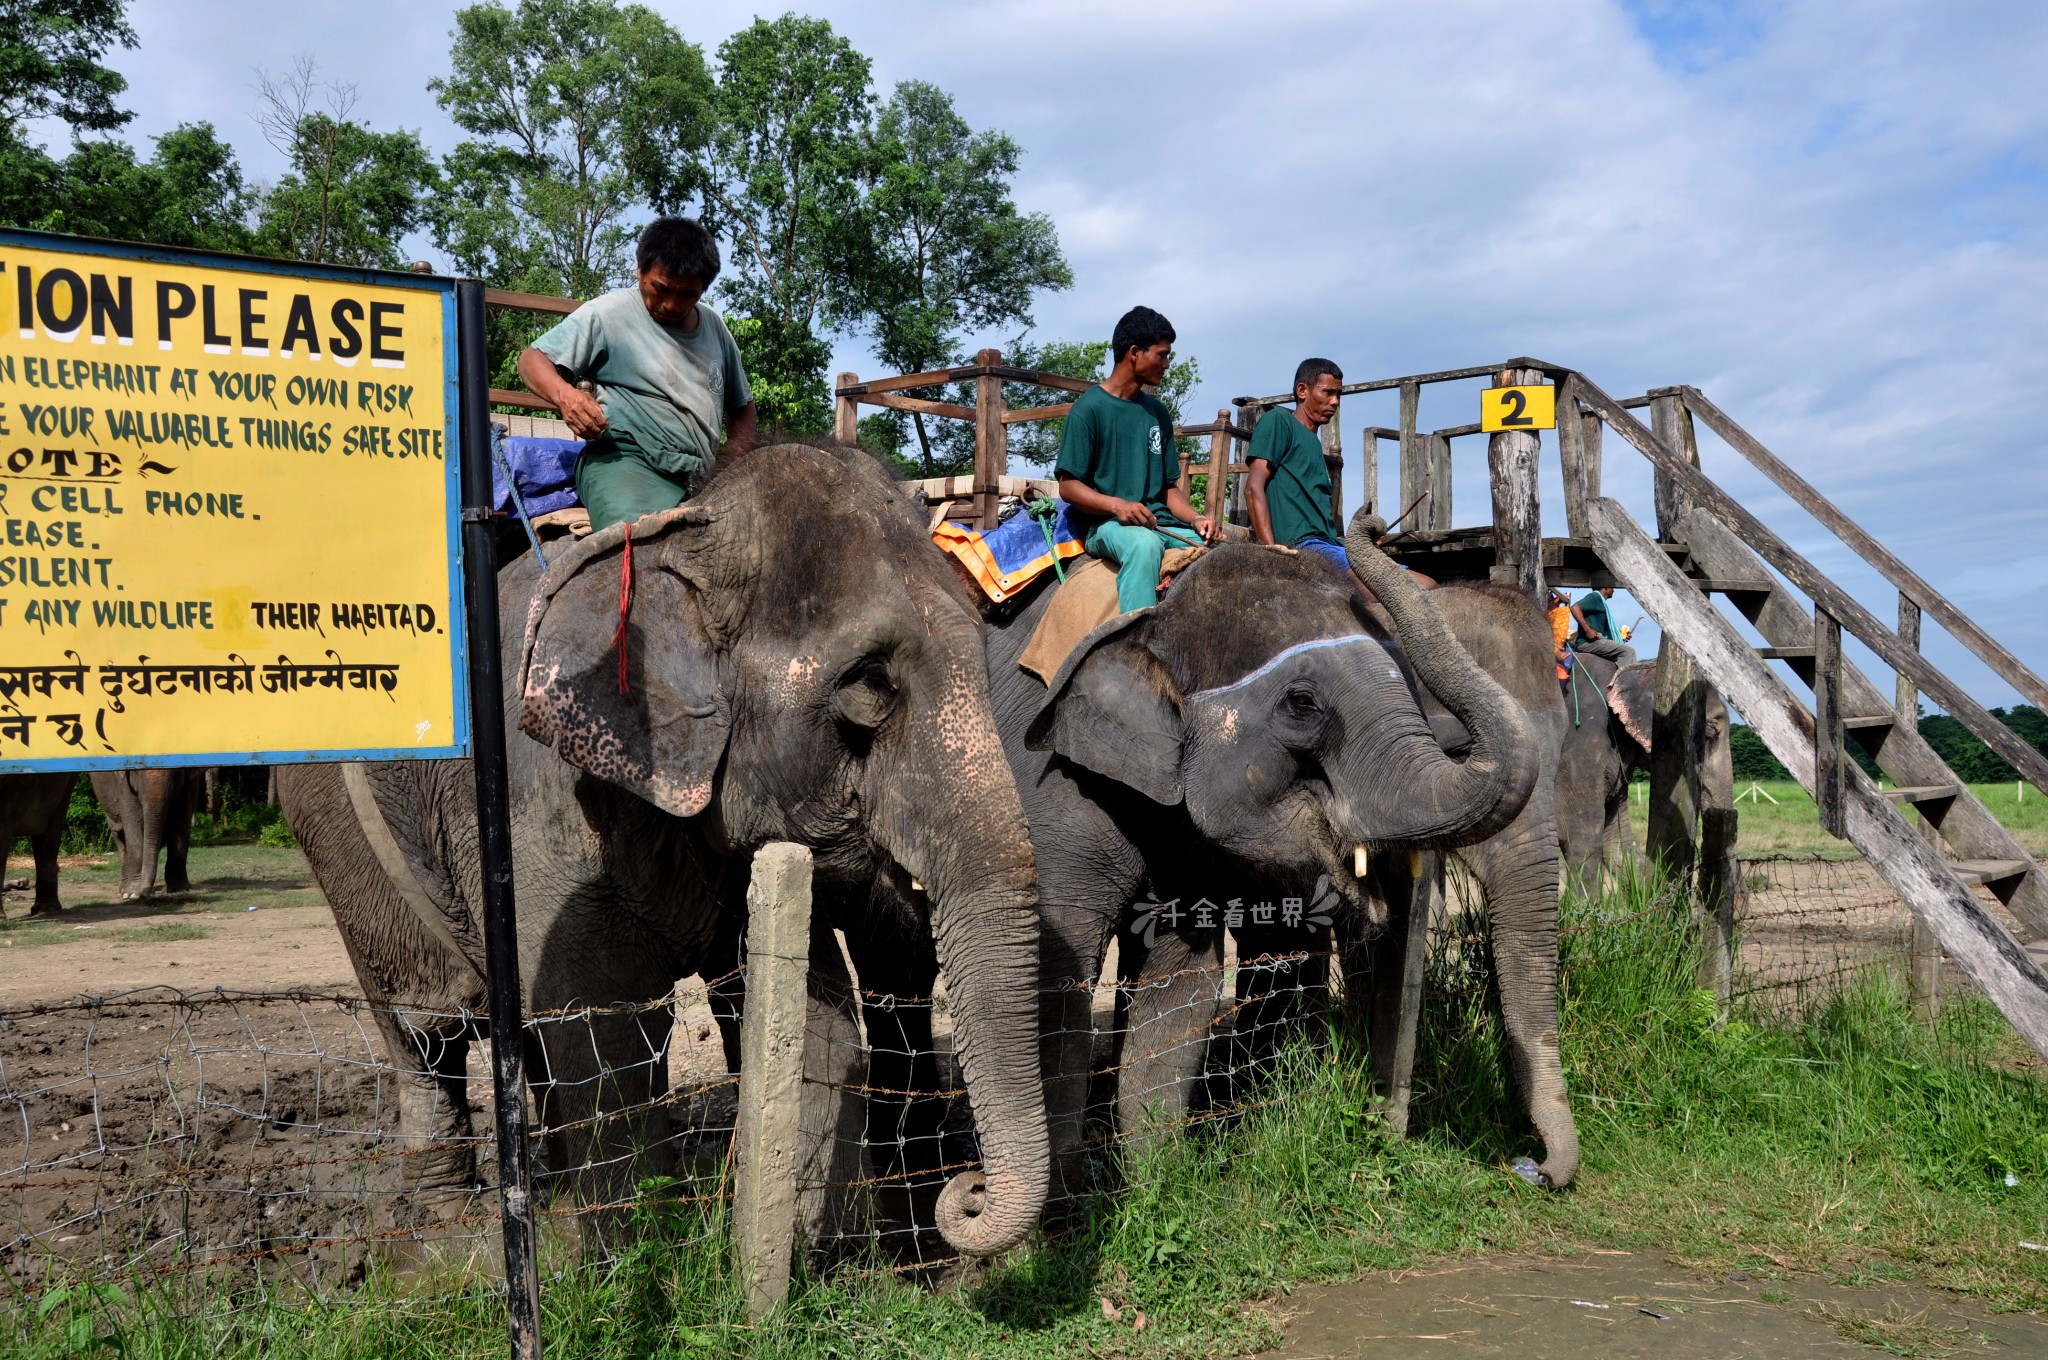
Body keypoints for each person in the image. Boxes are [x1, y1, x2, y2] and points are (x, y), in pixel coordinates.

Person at [516, 217, 758, 530]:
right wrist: (567, 396)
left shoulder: (716, 328)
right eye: (661, 288)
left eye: (687, 295)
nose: (671, 304)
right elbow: (531, 359)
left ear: (703, 289)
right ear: (640, 271)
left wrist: (732, 465)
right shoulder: (608, 313)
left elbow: (742, 407)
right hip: (626, 461)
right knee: (636, 540)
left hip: (703, 478)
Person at [1054, 306, 1221, 612]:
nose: (1167, 364)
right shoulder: (1088, 409)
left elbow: (1167, 488)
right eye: (1162, 354)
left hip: (1162, 523)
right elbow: (1068, 487)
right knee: (1144, 546)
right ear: (1134, 352)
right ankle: (1136, 644)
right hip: (1108, 526)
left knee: (1220, 553)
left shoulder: (1157, 413)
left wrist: (1196, 518)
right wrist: (1118, 505)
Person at [1247, 357, 1346, 566]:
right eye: (1328, 392)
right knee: (1416, 585)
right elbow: (1253, 488)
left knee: (1420, 580)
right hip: (1303, 546)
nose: (1335, 401)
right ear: (1302, 391)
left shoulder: (1313, 443)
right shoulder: (1279, 421)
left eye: (1338, 394)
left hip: (1329, 545)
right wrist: (1273, 553)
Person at [1570, 585, 1638, 665]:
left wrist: (1619, 634)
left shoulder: (1601, 603)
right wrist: (1587, 630)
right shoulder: (1595, 596)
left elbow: (1603, 629)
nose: (1614, 590)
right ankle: (1626, 677)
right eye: (1612, 587)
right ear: (1605, 587)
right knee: (1628, 652)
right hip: (1588, 642)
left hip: (1599, 639)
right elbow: (1575, 608)